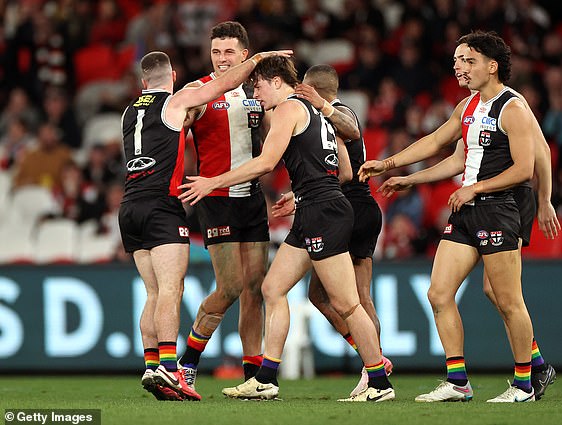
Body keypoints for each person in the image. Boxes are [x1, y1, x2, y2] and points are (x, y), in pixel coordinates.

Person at [179, 56, 395, 402]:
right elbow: (343, 170)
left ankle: (379, 381)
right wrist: (301, 194)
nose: (255, 92)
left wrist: (213, 182)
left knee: (347, 304)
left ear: (277, 81)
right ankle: (266, 378)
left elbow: (265, 163)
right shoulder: (319, 113)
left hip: (323, 213)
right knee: (272, 288)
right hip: (316, 208)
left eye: (258, 85)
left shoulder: (288, 110)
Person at [370, 40, 560, 401]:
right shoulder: (468, 106)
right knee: (438, 292)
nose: (458, 66)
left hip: (500, 207)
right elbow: (441, 147)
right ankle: (458, 381)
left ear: (491, 66)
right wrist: (396, 168)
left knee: (506, 298)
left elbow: (526, 166)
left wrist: (535, 198)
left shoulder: (513, 108)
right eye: (456, 59)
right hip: (468, 210)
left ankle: (525, 383)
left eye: (467, 60)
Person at [119, 48, 291, 401]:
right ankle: (171, 367)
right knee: (170, 290)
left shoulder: (128, 113)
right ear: (173, 76)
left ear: (142, 82)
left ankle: (153, 367)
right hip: (162, 206)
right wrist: (255, 61)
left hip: (129, 206)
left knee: (152, 293)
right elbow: (217, 87)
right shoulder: (177, 101)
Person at [272, 64, 393, 397]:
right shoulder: (337, 113)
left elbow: (344, 172)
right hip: (356, 207)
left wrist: (321, 106)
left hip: (350, 207)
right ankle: (373, 361)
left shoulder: (332, 114)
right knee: (320, 295)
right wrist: (299, 197)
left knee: (354, 299)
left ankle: (375, 369)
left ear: (311, 90)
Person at [176, 21, 269, 390]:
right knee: (229, 286)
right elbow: (174, 131)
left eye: (229, 52)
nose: (221, 59)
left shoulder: (256, 91)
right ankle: (188, 361)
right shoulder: (197, 92)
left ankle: (252, 377)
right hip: (215, 200)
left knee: (254, 288)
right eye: (216, 52)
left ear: (245, 55)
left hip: (252, 198)